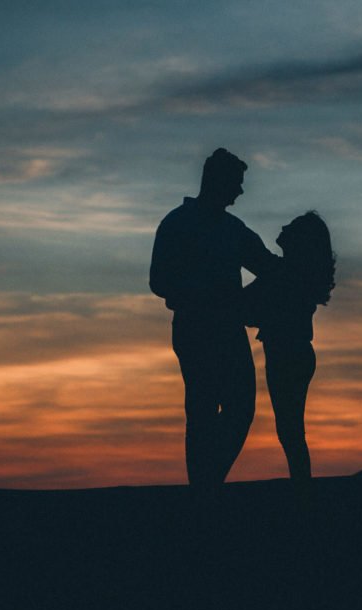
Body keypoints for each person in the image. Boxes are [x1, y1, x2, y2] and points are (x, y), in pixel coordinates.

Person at [149, 149, 279, 496]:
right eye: (236, 183)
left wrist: (247, 300)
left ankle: (206, 486)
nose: (240, 191)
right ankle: (204, 492)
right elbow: (158, 280)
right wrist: (209, 295)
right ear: (218, 181)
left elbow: (269, 268)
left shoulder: (233, 230)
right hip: (196, 329)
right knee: (203, 411)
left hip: (226, 330)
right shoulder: (177, 224)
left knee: (238, 409)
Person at [243, 211, 335, 505]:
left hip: (287, 353)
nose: (283, 227)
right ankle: (302, 490)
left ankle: (303, 494)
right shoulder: (293, 273)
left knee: (290, 429)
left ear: (300, 241)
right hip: (295, 352)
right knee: (291, 428)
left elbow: (246, 308)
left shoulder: (285, 273)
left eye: (292, 227)